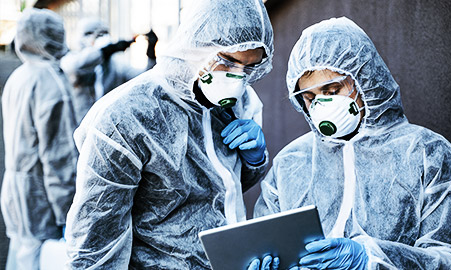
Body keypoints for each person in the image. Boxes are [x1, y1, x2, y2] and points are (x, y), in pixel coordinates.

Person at [249, 17, 451, 269]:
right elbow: (269, 242)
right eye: (309, 97)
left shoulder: (428, 153)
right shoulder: (290, 164)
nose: (320, 106)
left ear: (364, 79)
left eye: (331, 90)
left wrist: (370, 260)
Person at [64, 0, 273, 268]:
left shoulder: (242, 103)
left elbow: (226, 187)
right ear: (197, 44)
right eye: (229, 62)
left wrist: (254, 160)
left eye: (248, 69)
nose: (237, 79)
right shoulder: (127, 117)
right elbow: (95, 246)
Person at [1, 8, 78, 270]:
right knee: (38, 259)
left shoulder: (19, 77)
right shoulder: (50, 82)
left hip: (14, 189)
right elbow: (59, 157)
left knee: (20, 255)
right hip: (40, 197)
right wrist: (69, 210)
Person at [60, 18, 158, 122]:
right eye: (95, 34)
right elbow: (73, 67)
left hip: (105, 124)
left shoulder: (116, 65)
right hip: (78, 123)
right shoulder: (73, 59)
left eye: (103, 33)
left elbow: (143, 78)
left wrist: (151, 54)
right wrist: (105, 51)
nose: (101, 38)